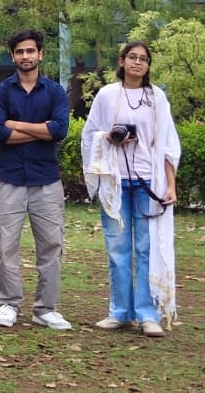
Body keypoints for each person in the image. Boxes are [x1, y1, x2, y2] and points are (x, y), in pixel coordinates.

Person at [81, 41, 180, 337]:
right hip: (115, 181)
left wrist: (171, 185)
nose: (137, 62)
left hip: (149, 182)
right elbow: (90, 134)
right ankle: (120, 312)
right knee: (117, 248)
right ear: (121, 61)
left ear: (148, 65)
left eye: (143, 59)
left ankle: (148, 314)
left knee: (146, 249)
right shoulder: (107, 94)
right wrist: (109, 137)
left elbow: (167, 144)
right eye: (132, 57)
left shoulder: (156, 97)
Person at [0, 28, 72, 330]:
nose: (26, 56)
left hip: (46, 180)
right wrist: (40, 130)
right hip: (10, 180)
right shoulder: (1, 92)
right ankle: (8, 304)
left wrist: (17, 125)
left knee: (51, 246)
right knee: (5, 247)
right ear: (13, 56)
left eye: (30, 51)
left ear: (40, 54)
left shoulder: (55, 92)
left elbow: (59, 130)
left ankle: (45, 309)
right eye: (20, 51)